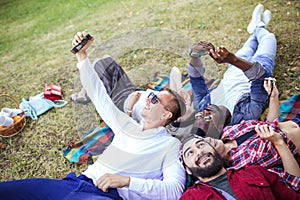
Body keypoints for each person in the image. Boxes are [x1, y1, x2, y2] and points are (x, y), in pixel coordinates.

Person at [0, 32, 187, 200]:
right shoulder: (127, 125)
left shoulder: (170, 145)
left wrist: (126, 181)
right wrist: (82, 57)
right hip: (76, 184)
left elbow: (174, 190)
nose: (147, 98)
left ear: (166, 114)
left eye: (154, 98)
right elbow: (99, 96)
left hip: (107, 194)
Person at [172, 3, 277, 139]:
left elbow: (196, 78)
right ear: (218, 130)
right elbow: (260, 77)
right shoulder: (247, 116)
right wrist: (233, 60)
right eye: (207, 119)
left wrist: (194, 55)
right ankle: (259, 26)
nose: (204, 113)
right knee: (269, 38)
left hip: (233, 69)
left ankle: (257, 28)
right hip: (257, 66)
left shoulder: (204, 106)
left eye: (199, 115)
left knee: (249, 45)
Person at [181, 77, 300, 192]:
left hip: (294, 121)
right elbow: (293, 182)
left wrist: (273, 98)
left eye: (200, 142)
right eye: (200, 149)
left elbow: (269, 126)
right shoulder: (242, 166)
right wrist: (279, 143)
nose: (207, 141)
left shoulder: (228, 132)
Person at [180, 134, 300, 199]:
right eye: (190, 153)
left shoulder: (255, 172)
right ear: (188, 170)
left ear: (214, 150)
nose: (199, 152)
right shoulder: (191, 198)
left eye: (201, 145)